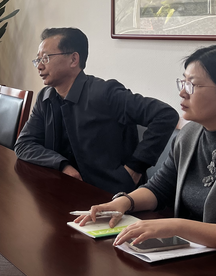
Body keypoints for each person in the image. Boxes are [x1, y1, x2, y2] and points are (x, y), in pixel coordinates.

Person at [76, 44, 216, 269]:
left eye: (193, 85)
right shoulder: (190, 133)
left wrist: (176, 226)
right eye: (183, 82)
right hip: (195, 260)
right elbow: (159, 188)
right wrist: (122, 202)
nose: (182, 92)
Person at [15, 27, 178, 194]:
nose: (39, 66)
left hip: (110, 195)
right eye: (38, 59)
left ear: (73, 59)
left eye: (46, 58)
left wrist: (135, 167)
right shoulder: (46, 98)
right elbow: (24, 144)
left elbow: (165, 115)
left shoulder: (105, 93)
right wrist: (62, 165)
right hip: (66, 190)